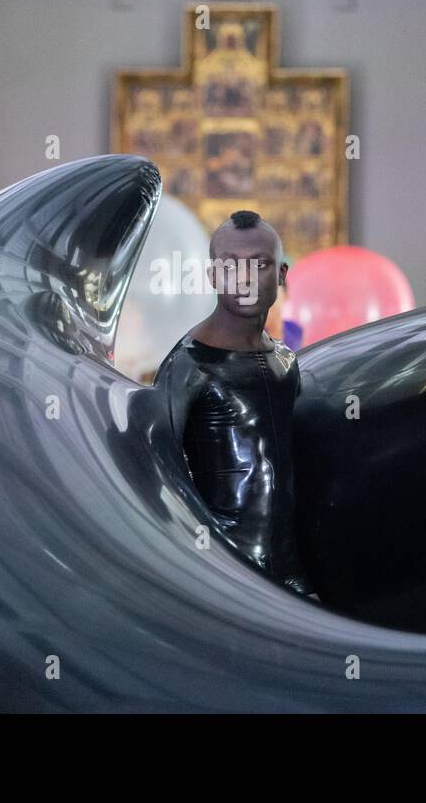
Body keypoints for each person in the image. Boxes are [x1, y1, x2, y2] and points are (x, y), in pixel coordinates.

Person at [153, 210, 313, 595]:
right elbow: (156, 482)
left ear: (282, 275)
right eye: (230, 265)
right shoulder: (187, 366)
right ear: (212, 276)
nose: (244, 279)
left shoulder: (286, 363)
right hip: (223, 582)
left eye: (259, 264)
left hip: (298, 577)